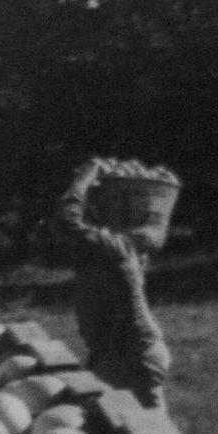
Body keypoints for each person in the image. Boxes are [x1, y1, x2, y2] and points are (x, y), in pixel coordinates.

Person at [54, 156, 173, 410]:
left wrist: (85, 177)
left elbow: (68, 222)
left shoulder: (116, 247)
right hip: (122, 354)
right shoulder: (123, 244)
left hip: (132, 358)